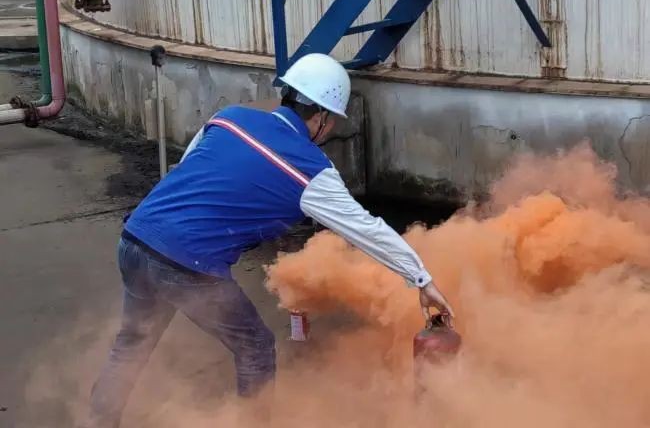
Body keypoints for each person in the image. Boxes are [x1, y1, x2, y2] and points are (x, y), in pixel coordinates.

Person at [85, 53, 454, 427]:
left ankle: (98, 421)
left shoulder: (228, 118)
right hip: (187, 263)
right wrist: (421, 279)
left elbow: (187, 168)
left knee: (133, 340)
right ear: (321, 117)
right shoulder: (311, 169)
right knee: (255, 346)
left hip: (135, 238)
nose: (331, 129)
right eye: (333, 121)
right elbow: (366, 229)